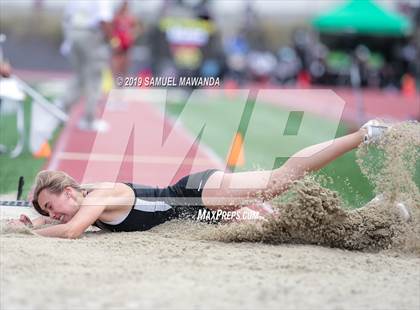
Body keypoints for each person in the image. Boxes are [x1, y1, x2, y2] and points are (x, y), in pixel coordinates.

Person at [9, 121, 391, 238]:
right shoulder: (89, 200)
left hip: (198, 194)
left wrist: (32, 231)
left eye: (50, 205)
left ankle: (362, 134)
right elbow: (71, 221)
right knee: (284, 227)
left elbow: (74, 230)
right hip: (196, 210)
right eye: (47, 210)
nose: (52, 213)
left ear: (69, 190)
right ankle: (374, 212)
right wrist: (38, 219)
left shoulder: (95, 199)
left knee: (278, 181)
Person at [56, 1, 114, 132]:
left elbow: (67, 17)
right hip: (90, 35)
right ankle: (89, 119)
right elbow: (104, 20)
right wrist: (112, 40)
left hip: (74, 34)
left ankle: (60, 108)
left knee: (80, 76)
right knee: (94, 78)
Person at [111, 0, 141, 78]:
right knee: (117, 61)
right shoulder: (116, 16)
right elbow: (111, 28)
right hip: (117, 42)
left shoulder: (130, 17)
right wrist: (114, 39)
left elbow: (137, 28)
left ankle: (123, 79)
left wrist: (132, 35)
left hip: (127, 43)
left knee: (126, 61)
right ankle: (116, 78)